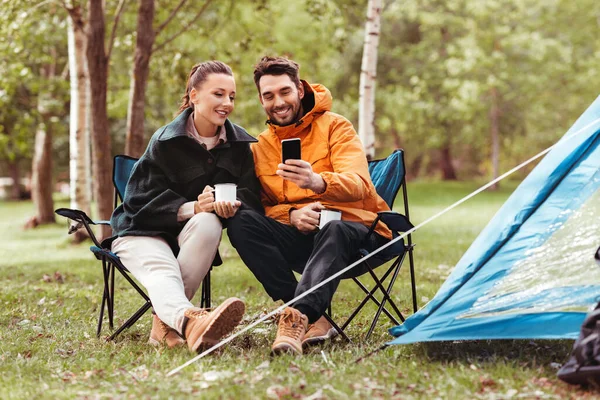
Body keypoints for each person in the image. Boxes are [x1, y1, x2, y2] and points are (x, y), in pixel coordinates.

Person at [227, 56, 395, 355]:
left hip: (353, 232)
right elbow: (265, 206)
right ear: (261, 100)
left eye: (284, 92)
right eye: (269, 96)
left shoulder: (336, 126)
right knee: (241, 221)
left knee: (334, 228)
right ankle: (311, 316)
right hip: (301, 239)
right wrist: (292, 215)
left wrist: (318, 182)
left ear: (300, 90)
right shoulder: (261, 147)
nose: (278, 102)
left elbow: (360, 184)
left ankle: (297, 318)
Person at [109, 61, 262, 353]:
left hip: (192, 236)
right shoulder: (165, 141)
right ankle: (191, 322)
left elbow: (253, 195)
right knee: (163, 269)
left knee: (210, 223)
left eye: (231, 96)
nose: (226, 103)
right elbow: (137, 201)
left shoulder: (240, 144)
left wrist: (230, 205)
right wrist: (193, 207)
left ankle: (164, 324)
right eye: (218, 94)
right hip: (141, 231)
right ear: (194, 96)